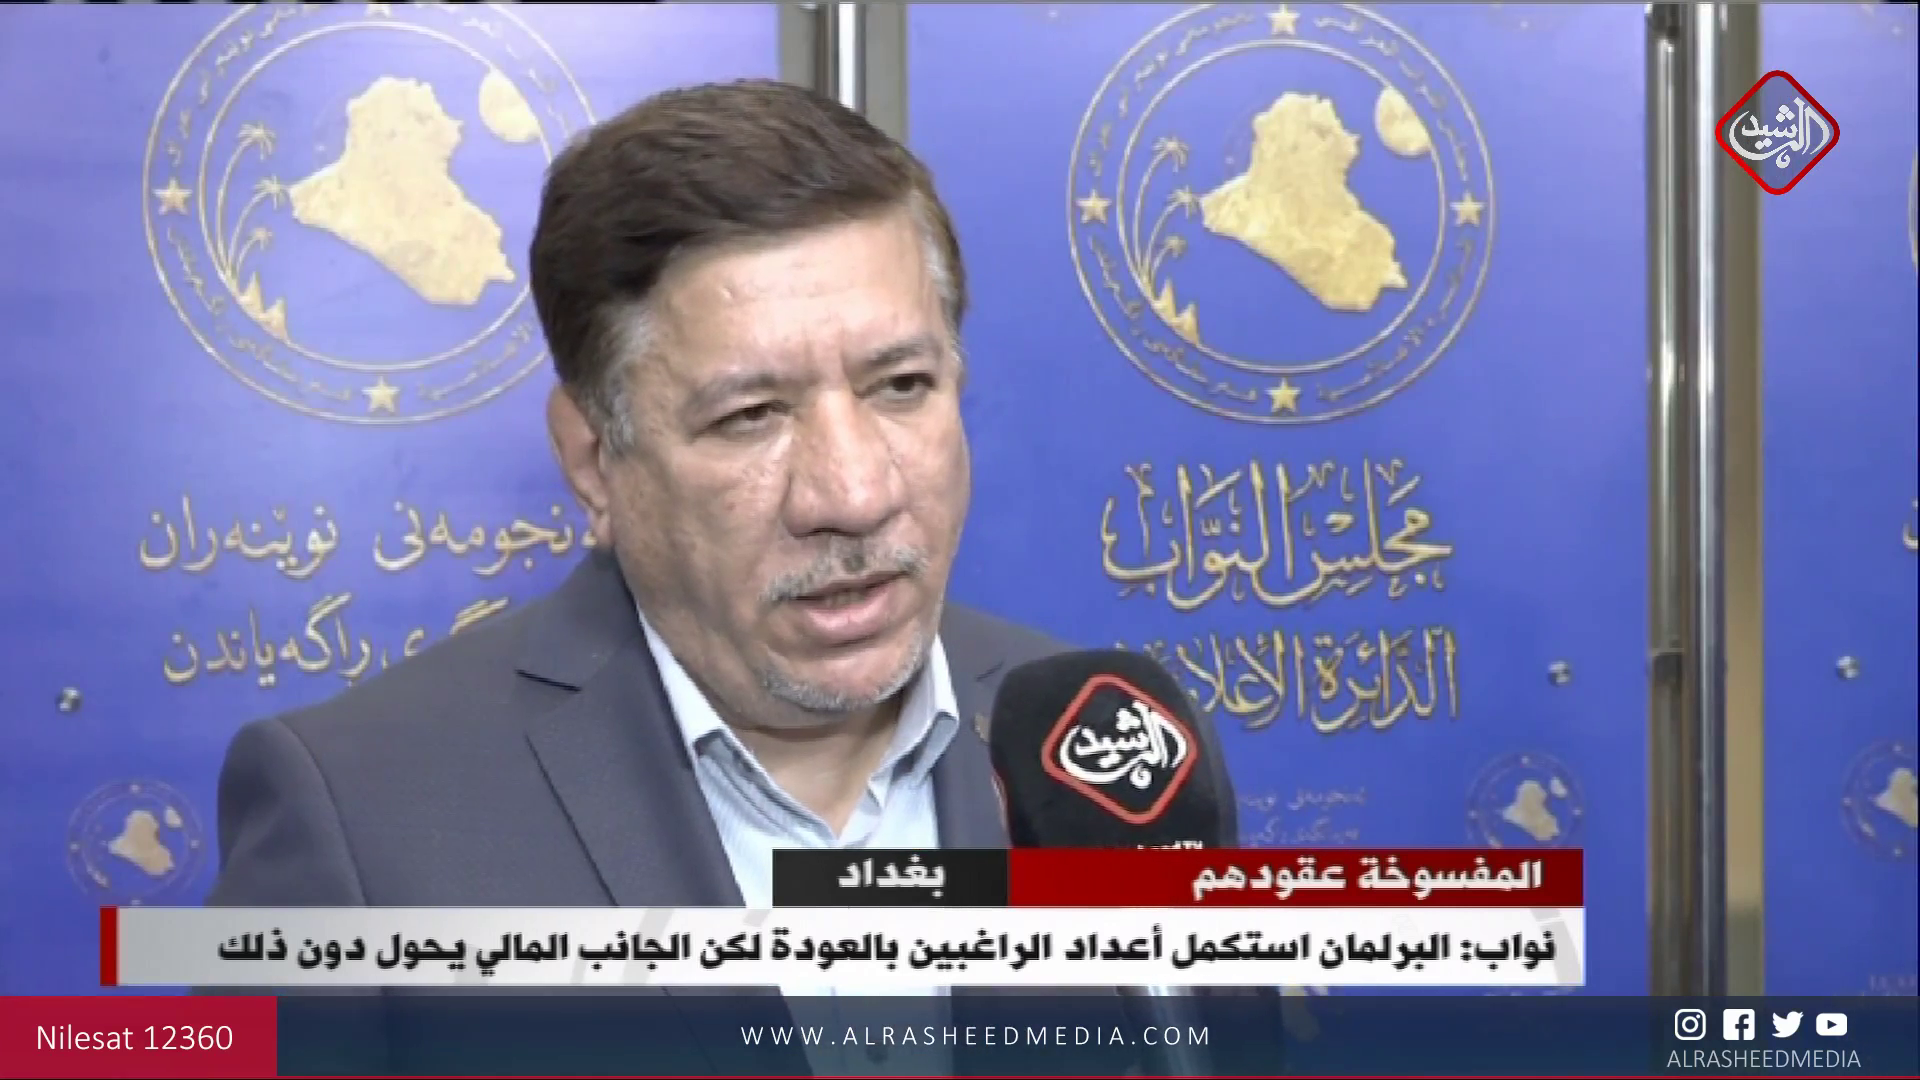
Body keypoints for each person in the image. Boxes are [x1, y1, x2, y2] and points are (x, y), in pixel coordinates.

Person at [207, 79, 1278, 1076]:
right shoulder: (360, 819)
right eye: (752, 415)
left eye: (902, 386)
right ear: (594, 462)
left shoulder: (1113, 756)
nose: (853, 493)